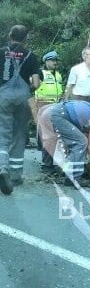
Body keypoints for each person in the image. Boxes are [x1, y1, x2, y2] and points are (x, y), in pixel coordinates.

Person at [0, 25, 40, 195]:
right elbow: (36, 84)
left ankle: (2, 168)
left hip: (4, 97)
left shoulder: (1, 52)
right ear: (26, 38)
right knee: (19, 134)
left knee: (3, 133)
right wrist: (28, 87)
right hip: (24, 99)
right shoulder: (31, 56)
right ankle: (16, 176)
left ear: (10, 35)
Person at [38, 100, 90, 187]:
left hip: (52, 112)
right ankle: (75, 178)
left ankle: (70, 175)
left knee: (78, 142)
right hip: (58, 114)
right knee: (81, 142)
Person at [32, 50, 63, 174]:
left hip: (56, 105)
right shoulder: (40, 73)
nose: (55, 62)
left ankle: (52, 162)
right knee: (47, 136)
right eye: (52, 60)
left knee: (56, 135)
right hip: (43, 105)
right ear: (46, 61)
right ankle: (46, 164)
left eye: (56, 60)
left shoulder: (58, 74)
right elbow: (33, 86)